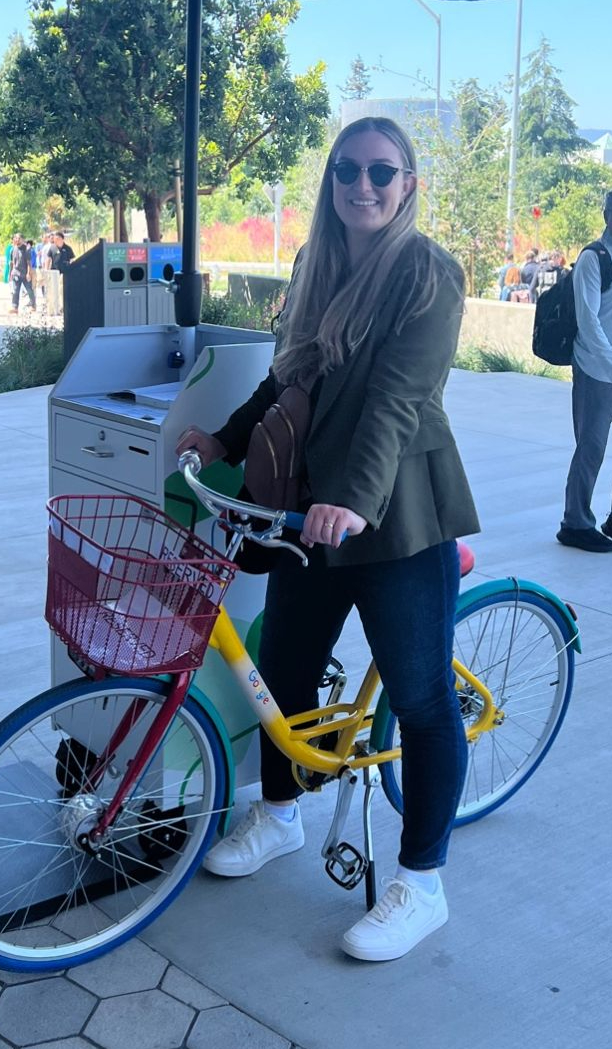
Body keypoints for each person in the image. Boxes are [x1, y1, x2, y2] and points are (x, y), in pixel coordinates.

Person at [176, 117, 479, 962]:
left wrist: (350, 500)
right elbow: (287, 374)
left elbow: (398, 400)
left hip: (395, 513)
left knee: (419, 701)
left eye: (383, 172)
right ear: (331, 181)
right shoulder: (318, 263)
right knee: (285, 671)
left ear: (408, 183)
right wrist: (225, 442)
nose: (364, 185)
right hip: (310, 510)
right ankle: (280, 815)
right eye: (348, 169)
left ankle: (423, 882)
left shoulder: (428, 274)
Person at [557, 191, 612, 552]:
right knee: (591, 447)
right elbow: (588, 320)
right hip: (596, 369)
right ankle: (575, 523)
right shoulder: (594, 258)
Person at [9, 232, 36, 315]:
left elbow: (29, 263)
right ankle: (15, 307)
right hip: (16, 273)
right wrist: (10, 273)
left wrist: (29, 273)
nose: (17, 240)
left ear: (22, 239)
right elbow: (12, 262)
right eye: (15, 238)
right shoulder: (13, 249)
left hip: (25, 273)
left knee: (29, 290)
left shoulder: (26, 249)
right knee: (15, 291)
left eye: (18, 238)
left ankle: (33, 305)